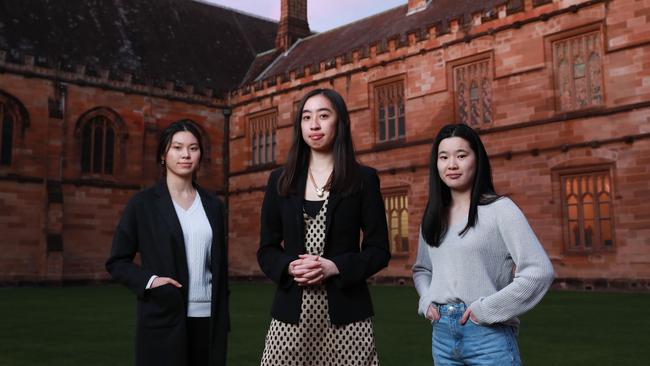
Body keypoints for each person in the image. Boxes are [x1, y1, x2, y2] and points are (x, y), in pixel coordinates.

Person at [258, 88, 391, 366]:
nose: (314, 125)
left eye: (323, 115)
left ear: (340, 122)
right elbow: (267, 249)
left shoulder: (363, 179)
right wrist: (290, 267)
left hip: (347, 317)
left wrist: (335, 267)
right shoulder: (280, 180)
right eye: (307, 117)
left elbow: (378, 250)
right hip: (291, 316)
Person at [412, 123, 554, 366]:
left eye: (461, 155)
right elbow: (422, 270)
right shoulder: (434, 216)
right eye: (443, 157)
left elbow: (539, 271)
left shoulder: (500, 209)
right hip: (442, 338)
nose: (452, 165)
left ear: (477, 160)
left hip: (488, 337)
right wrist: (426, 300)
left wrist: (487, 309)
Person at [106, 120, 228, 366]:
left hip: (208, 320)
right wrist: (152, 282)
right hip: (163, 317)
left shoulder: (214, 206)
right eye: (177, 147)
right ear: (163, 154)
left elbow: (219, 266)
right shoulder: (143, 204)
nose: (186, 154)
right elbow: (117, 262)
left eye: (193, 148)